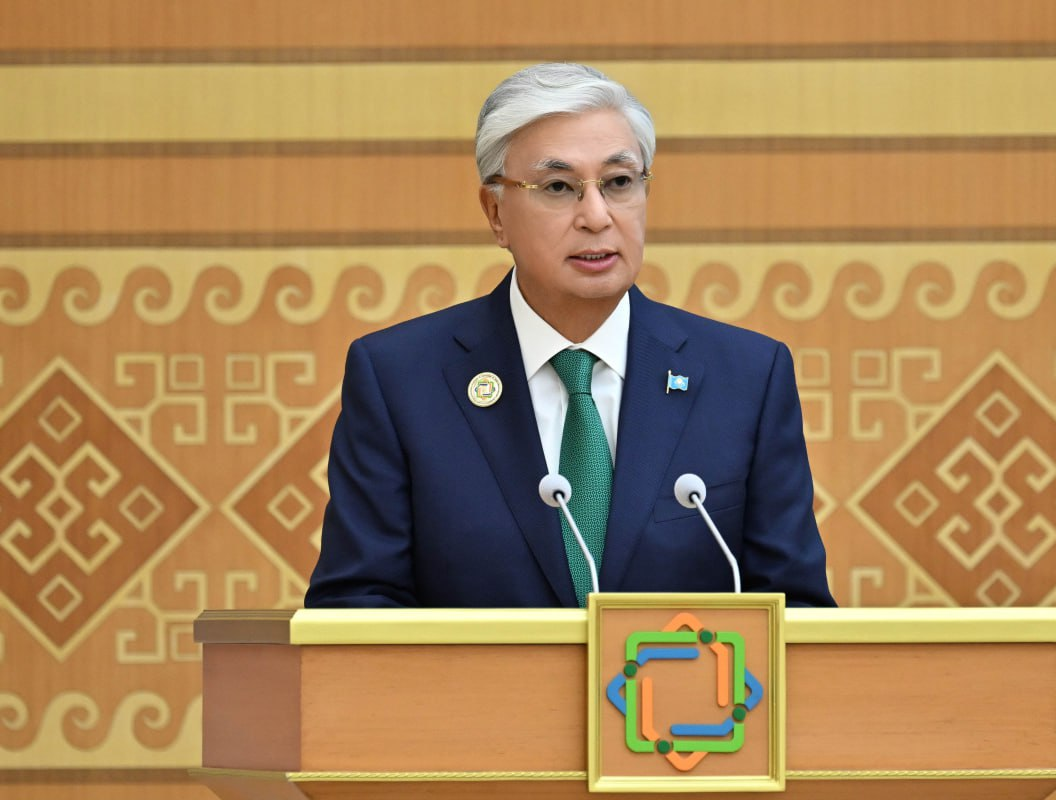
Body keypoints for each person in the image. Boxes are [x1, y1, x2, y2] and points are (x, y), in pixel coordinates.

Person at [305, 63, 836, 608]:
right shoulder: (400, 381)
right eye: (559, 187)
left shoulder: (746, 378)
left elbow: (797, 612)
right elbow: (355, 608)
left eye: (619, 182)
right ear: (495, 213)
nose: (597, 216)